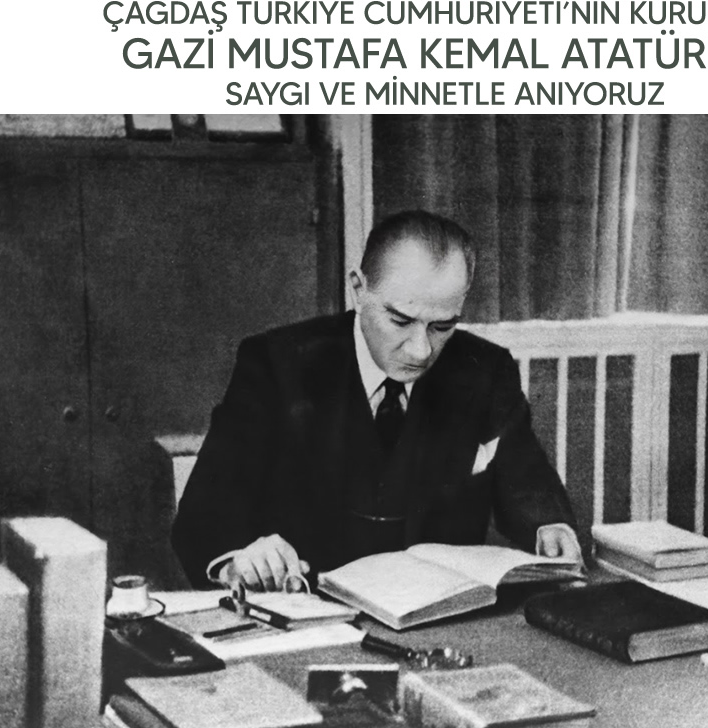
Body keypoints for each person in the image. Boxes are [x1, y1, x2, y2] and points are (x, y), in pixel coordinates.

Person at [172, 210, 580, 590]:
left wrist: (550, 527)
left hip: (437, 616)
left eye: (442, 326)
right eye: (400, 321)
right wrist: (240, 560)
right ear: (358, 289)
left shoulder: (484, 370)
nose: (421, 350)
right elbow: (203, 516)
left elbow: (526, 477)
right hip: (311, 612)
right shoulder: (276, 366)